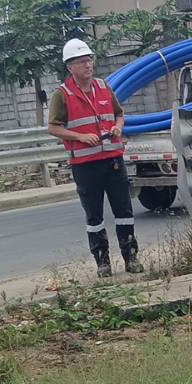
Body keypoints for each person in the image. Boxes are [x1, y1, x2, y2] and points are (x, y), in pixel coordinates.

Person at [46, 38, 142, 277]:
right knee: (94, 216)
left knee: (124, 211)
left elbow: (119, 114)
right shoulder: (62, 94)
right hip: (85, 165)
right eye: (81, 62)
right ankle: (103, 263)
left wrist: (118, 127)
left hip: (113, 160)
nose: (88, 65)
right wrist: (79, 137)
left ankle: (131, 258)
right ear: (70, 67)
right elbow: (53, 127)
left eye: (89, 60)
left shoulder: (103, 86)